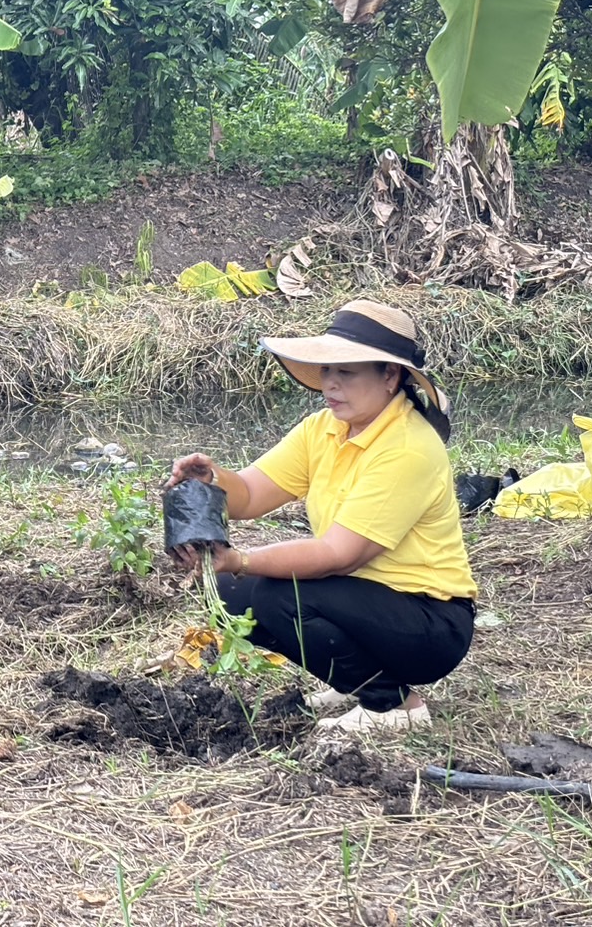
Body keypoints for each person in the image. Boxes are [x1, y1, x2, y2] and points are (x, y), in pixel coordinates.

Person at [165, 299, 477, 733]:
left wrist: (243, 559)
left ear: (390, 376)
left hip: (428, 622)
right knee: (228, 593)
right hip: (362, 600)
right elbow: (252, 494)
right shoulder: (322, 429)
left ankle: (395, 703)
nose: (331, 384)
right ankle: (354, 677)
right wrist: (211, 478)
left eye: (345, 372)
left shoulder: (408, 447)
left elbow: (338, 555)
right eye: (327, 371)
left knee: (280, 596)